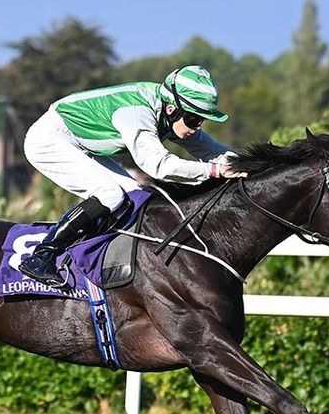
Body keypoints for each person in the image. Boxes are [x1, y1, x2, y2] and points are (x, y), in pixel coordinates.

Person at [19, 65, 247, 288]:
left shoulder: (169, 111)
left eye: (201, 120)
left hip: (78, 142)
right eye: (194, 120)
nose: (197, 127)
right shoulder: (138, 114)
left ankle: (92, 255)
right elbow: (158, 166)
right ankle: (41, 257)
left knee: (134, 196)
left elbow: (212, 150)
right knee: (109, 195)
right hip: (49, 139)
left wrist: (250, 167)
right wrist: (215, 171)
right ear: (171, 109)